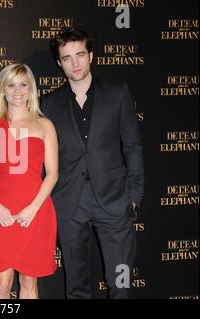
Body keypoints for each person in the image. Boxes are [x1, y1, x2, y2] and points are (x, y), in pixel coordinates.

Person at [41, 28, 144, 299]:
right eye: (67, 58)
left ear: (91, 56)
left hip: (114, 201)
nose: (75, 63)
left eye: (80, 55)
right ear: (59, 63)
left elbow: (132, 147)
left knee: (121, 283)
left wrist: (133, 196)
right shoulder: (48, 105)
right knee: (75, 287)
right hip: (69, 205)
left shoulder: (117, 94)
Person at [0, 63, 58, 299]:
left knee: (29, 280)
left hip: (36, 209)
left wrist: (32, 209)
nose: (17, 91)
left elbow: (53, 173)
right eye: (11, 85)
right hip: (0, 207)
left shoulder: (44, 125)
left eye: (23, 85)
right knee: (3, 282)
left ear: (31, 89)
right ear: (2, 90)